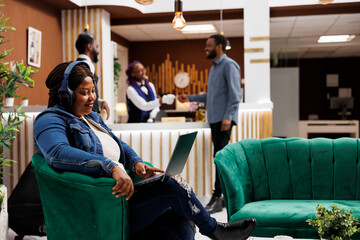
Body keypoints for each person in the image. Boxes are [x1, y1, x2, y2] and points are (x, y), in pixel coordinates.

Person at [33, 61, 255, 240]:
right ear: (66, 95)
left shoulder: (91, 117)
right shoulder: (49, 120)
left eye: (93, 91)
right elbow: (58, 153)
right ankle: (216, 231)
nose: (92, 97)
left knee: (181, 223)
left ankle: (210, 229)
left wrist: (136, 163)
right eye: (84, 92)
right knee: (170, 186)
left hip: (121, 195)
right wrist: (111, 167)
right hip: (102, 204)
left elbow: (118, 145)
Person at [178, 34, 242, 214]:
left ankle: (218, 196)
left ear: (219, 47)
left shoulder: (229, 65)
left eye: (209, 45)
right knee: (219, 157)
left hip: (223, 120)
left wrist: (228, 117)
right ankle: (221, 197)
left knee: (220, 159)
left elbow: (235, 95)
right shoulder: (214, 68)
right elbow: (210, 96)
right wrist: (189, 98)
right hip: (215, 120)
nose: (205, 48)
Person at [75, 30, 110, 120]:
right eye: (96, 46)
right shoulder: (85, 67)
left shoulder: (78, 65)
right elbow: (82, 95)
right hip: (86, 118)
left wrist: (100, 102)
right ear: (90, 47)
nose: (98, 51)